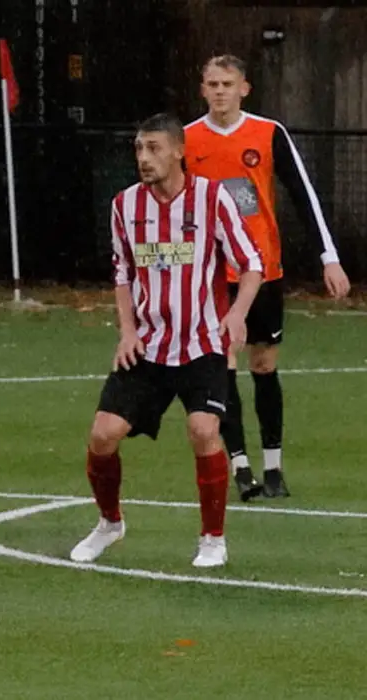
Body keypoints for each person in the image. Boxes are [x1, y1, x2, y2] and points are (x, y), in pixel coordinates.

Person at [69, 113, 263, 569]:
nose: (143, 158)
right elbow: (122, 274)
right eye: (139, 148)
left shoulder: (212, 199)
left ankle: (212, 539)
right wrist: (128, 330)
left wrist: (236, 314)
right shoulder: (124, 206)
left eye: (154, 148)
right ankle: (109, 523)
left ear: (179, 151)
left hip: (202, 344)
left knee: (203, 430)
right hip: (149, 346)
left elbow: (250, 263)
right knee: (102, 435)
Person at [184, 54, 351, 500]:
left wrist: (327, 256)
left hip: (264, 271)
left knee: (264, 366)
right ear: (202, 89)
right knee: (226, 365)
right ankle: (240, 467)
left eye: (227, 83)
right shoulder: (187, 141)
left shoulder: (268, 132)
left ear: (245, 88)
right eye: (212, 83)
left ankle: (274, 468)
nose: (219, 91)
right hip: (214, 276)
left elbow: (302, 194)